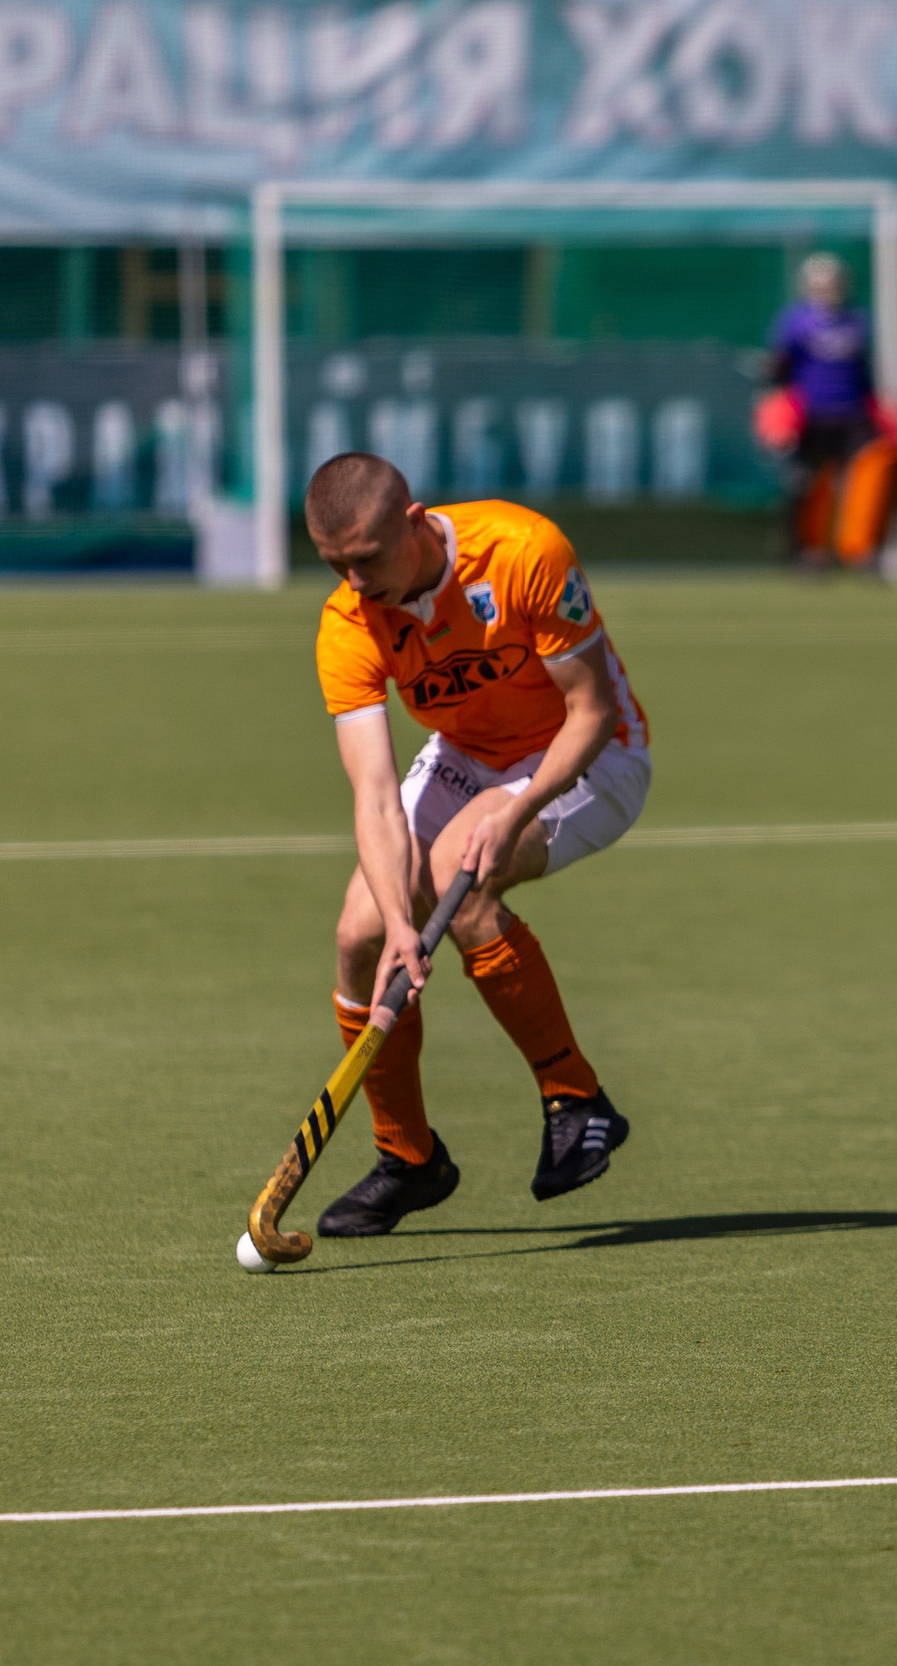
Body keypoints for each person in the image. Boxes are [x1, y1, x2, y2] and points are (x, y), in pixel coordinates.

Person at [306, 452, 651, 1236]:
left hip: (591, 753)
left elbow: (592, 711)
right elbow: (372, 794)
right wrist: (400, 919)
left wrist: (521, 806)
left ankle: (576, 1097)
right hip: (469, 755)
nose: (356, 583)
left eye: (366, 558)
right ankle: (410, 1158)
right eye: (335, 565)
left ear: (413, 519)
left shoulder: (524, 551)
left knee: (462, 874)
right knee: (359, 936)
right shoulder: (348, 621)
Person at [762, 253, 897, 571]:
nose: (828, 289)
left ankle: (860, 550)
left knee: (872, 470)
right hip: (811, 415)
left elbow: (865, 371)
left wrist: (880, 408)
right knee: (813, 483)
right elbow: (779, 371)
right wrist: (777, 416)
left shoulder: (857, 320)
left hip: (853, 412)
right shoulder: (795, 321)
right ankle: (812, 552)